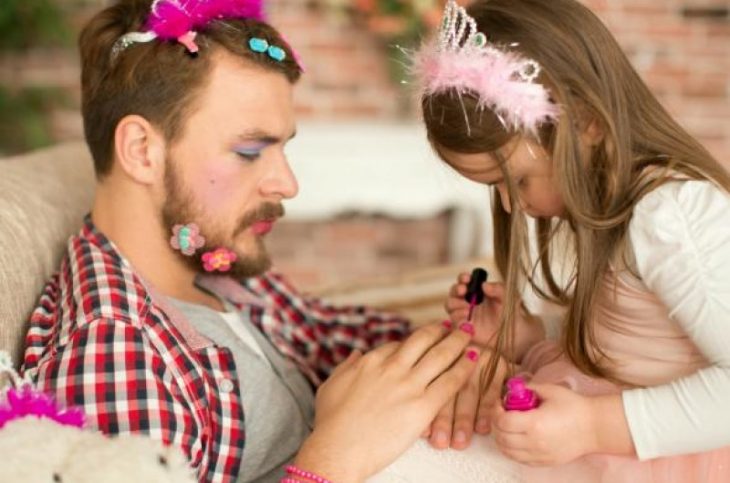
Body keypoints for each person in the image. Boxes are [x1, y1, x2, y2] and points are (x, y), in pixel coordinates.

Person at [19, 1, 485, 482]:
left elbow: (327, 333)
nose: (287, 183)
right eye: (249, 152)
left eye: (283, 149)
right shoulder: (114, 353)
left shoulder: (212, 268)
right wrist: (331, 460)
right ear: (142, 152)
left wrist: (467, 345)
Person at [413, 0, 730, 481]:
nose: (507, 205)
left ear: (585, 123)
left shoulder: (672, 217)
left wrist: (592, 427)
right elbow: (629, 364)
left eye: (516, 181)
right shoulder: (623, 213)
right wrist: (529, 342)